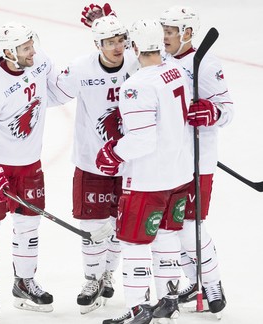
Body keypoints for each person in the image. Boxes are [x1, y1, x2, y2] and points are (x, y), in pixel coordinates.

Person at [95, 19, 194, 324]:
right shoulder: (176, 71)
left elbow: (142, 139)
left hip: (149, 179)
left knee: (134, 243)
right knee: (166, 237)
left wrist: (111, 152)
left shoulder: (136, 85)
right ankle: (168, 301)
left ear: (134, 47)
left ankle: (138, 307)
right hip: (179, 174)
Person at [0, 21, 63, 315]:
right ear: (9, 51)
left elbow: (55, 93)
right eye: (26, 48)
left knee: (29, 225)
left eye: (32, 44)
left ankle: (24, 281)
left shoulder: (38, 61)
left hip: (29, 163)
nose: (33, 51)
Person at [52, 5, 139, 314]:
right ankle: (92, 278)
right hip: (91, 162)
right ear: (97, 45)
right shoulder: (80, 69)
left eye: (121, 39)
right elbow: (53, 95)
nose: (117, 47)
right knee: (92, 224)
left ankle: (107, 273)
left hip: (130, 161)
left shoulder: (138, 62)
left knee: (120, 223)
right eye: (109, 41)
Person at [160, 6, 233, 317]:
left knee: (190, 226)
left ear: (187, 33)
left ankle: (212, 282)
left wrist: (212, 112)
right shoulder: (159, 61)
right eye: (163, 30)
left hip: (197, 162)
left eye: (169, 31)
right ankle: (194, 281)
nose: (164, 37)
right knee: (172, 227)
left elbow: (227, 109)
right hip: (167, 160)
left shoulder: (205, 64)